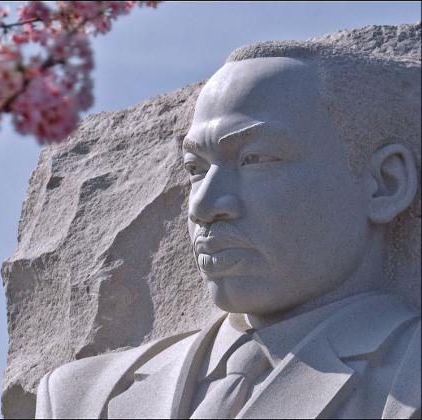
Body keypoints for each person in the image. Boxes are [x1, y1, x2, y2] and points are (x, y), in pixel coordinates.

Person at [35, 40, 421, 419]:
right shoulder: (81, 398)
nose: (203, 206)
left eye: (256, 159)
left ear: (384, 183)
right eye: (195, 169)